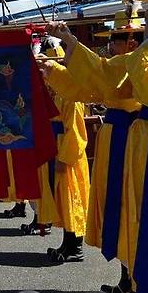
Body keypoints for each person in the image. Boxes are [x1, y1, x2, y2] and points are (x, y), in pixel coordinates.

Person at [47, 0, 148, 293]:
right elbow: (101, 80)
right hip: (132, 143)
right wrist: (68, 45)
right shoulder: (139, 57)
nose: (113, 46)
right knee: (127, 213)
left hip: (143, 144)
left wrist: (147, 44)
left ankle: (140, 282)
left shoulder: (144, 55)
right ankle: (132, 280)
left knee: (140, 214)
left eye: (119, 38)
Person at [37, 43, 90, 262]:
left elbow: (76, 131)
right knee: (60, 198)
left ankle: (75, 247)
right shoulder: (57, 94)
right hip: (56, 146)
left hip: (69, 153)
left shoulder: (71, 96)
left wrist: (65, 158)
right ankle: (67, 243)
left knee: (72, 197)